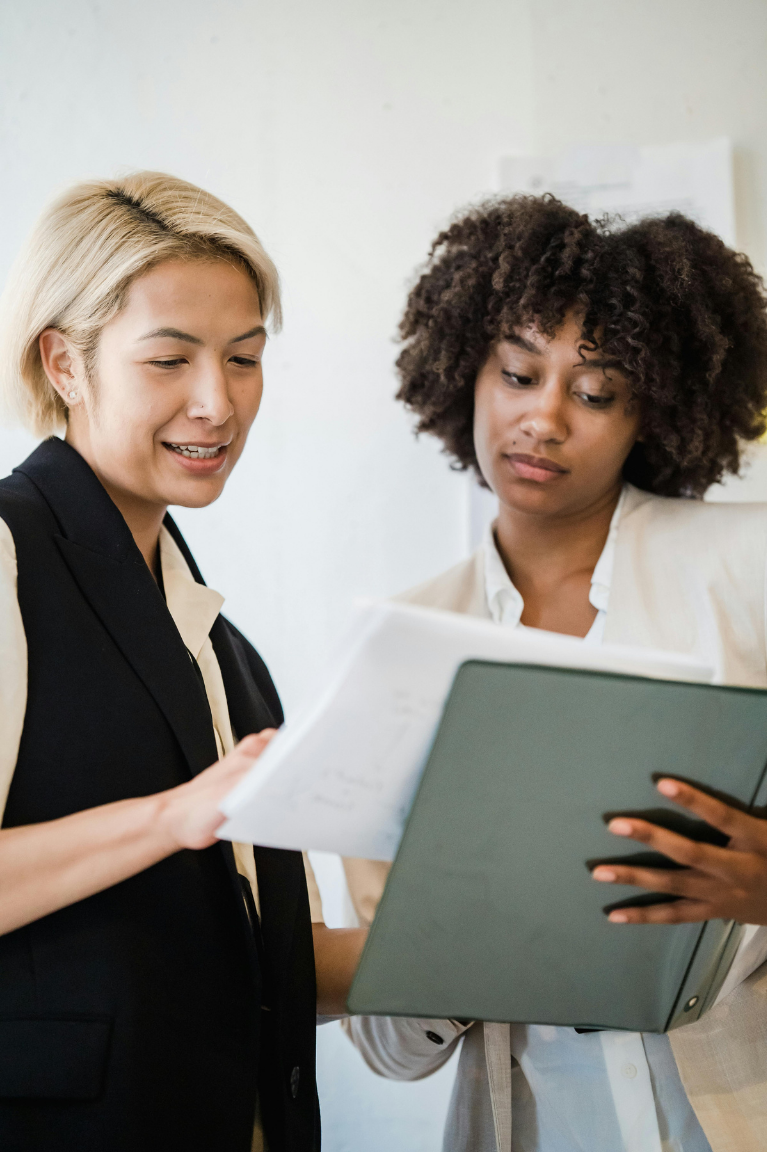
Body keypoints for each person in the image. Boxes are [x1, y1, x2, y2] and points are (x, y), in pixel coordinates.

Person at [342, 196, 767, 1152]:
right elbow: (386, 1045)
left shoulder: (750, 572)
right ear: (465, 377)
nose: (543, 418)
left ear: (651, 410)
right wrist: (450, 952)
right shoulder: (403, 643)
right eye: (518, 374)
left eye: (596, 390)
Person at [0, 172, 364, 1152]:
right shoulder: (5, 555)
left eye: (244, 359)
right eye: (169, 360)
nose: (217, 402)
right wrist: (172, 816)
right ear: (64, 364)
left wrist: (480, 938)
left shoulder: (216, 642)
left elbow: (234, 967)